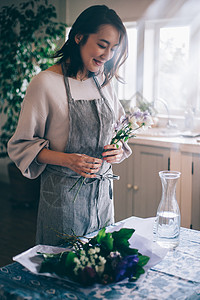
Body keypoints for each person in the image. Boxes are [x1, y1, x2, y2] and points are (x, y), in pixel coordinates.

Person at [8, 5, 132, 246]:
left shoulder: (105, 83)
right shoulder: (44, 83)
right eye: (102, 44)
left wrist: (118, 148)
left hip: (102, 200)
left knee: (100, 269)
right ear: (79, 37)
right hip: (63, 201)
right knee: (63, 271)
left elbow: (119, 129)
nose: (107, 56)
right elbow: (21, 146)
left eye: (113, 49)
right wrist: (68, 160)